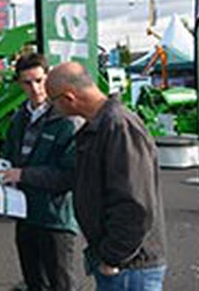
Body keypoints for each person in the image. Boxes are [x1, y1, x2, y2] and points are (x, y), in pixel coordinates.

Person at [46, 62, 168, 290]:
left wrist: (112, 258)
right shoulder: (102, 126)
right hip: (122, 263)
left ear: (69, 98)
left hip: (130, 268)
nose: (52, 108)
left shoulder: (118, 126)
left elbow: (135, 205)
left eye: (52, 101)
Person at [0, 54, 79, 291]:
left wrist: (23, 175)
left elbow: (70, 176)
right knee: (34, 283)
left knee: (61, 285)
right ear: (19, 84)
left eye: (39, 80)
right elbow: (9, 157)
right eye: (27, 83)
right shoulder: (18, 118)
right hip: (24, 214)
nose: (35, 88)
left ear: (49, 78)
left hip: (55, 219)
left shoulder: (67, 119)